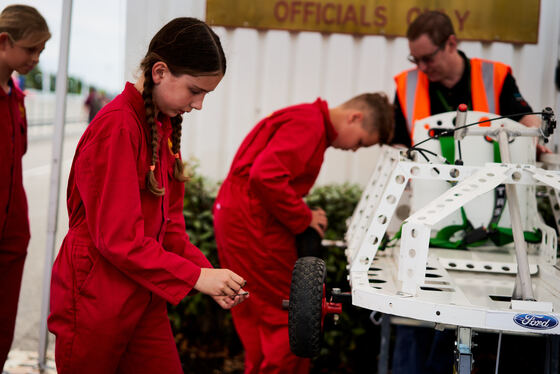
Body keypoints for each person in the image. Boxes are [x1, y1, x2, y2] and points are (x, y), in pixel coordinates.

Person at [47, 17, 248, 374]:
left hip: (142, 294)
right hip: (96, 295)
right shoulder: (118, 128)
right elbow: (119, 239)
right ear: (159, 72)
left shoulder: (161, 127)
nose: (199, 105)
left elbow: (169, 228)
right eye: (194, 91)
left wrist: (207, 271)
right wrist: (196, 277)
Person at [390, 11, 544, 374]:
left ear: (452, 44)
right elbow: (397, 142)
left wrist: (534, 140)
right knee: (416, 318)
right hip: (430, 217)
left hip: (491, 220)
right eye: (416, 59)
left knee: (475, 316)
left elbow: (527, 120)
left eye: (428, 58)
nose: (422, 67)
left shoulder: (496, 76)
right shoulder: (404, 85)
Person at [213, 93, 394, 373]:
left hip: (239, 217)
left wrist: (302, 212)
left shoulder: (305, 118)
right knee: (293, 313)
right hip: (255, 224)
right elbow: (265, 176)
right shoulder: (310, 125)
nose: (355, 150)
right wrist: (304, 216)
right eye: (360, 142)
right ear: (354, 117)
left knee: (255, 312)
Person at [0, 5, 50, 371]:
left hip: (12, 239)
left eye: (41, 52)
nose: (35, 58)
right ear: (4, 42)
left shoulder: (17, 99)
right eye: (31, 49)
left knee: (2, 328)